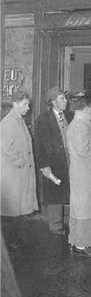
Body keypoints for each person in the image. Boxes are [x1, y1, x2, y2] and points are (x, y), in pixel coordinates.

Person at [0, 89, 38, 250]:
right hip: (12, 173)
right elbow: (5, 147)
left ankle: (14, 239)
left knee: (16, 208)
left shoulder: (19, 119)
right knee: (10, 209)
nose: (28, 108)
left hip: (18, 173)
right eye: (25, 104)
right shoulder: (8, 122)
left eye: (28, 104)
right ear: (15, 104)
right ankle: (10, 240)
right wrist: (21, 160)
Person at [34, 86, 72, 235]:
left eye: (65, 98)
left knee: (68, 190)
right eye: (62, 98)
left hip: (69, 160)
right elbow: (39, 145)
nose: (66, 101)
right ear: (53, 102)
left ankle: (67, 220)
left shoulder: (70, 115)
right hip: (53, 162)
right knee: (55, 193)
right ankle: (56, 225)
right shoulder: (42, 120)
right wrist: (44, 165)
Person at [67, 94, 91, 257]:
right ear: (86, 107)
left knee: (81, 207)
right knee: (85, 209)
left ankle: (76, 240)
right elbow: (83, 150)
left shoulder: (82, 121)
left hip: (82, 172)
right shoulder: (81, 124)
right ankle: (82, 244)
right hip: (86, 173)